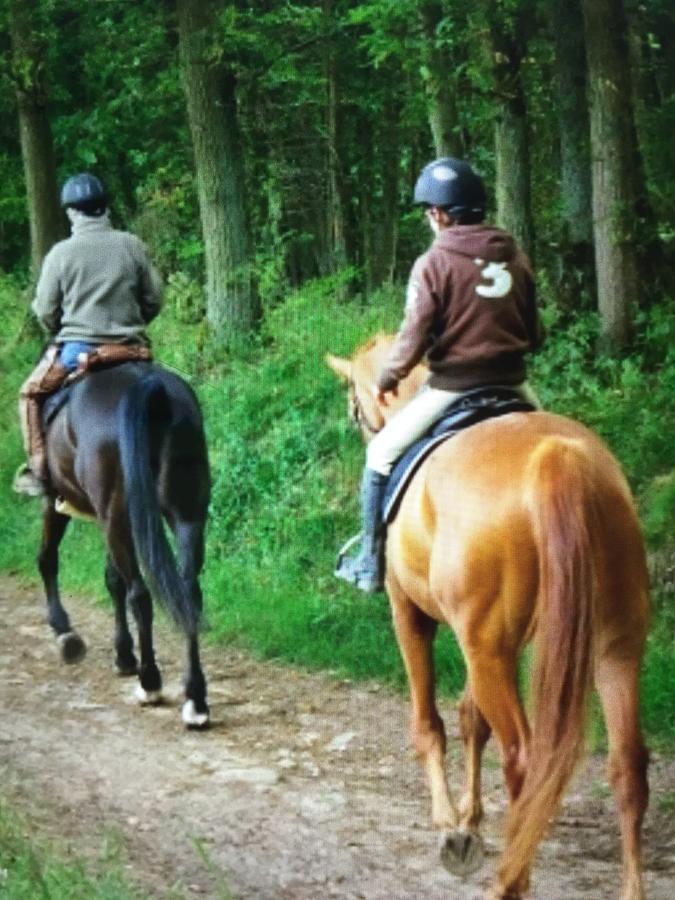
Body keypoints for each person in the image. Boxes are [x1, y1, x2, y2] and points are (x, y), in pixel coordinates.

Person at [335, 157, 543, 593]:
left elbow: (412, 339)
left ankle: (370, 563)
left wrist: (389, 378)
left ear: (440, 214)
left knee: (379, 457)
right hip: (515, 384)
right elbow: (535, 334)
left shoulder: (434, 262)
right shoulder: (516, 256)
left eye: (430, 210)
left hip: (454, 388)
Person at [13, 172, 163, 497]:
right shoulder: (132, 244)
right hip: (132, 349)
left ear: (71, 212)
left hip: (78, 350)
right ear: (105, 207)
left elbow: (45, 310)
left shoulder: (60, 254)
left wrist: (61, 328)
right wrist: (133, 322)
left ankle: (39, 471)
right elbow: (154, 298)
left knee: (29, 395)